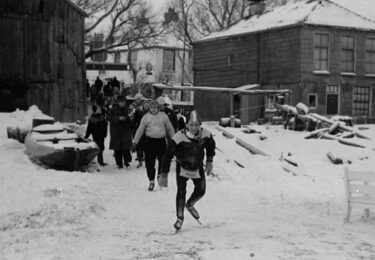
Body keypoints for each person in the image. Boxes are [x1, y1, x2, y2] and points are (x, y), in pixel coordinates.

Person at [159, 110, 216, 230]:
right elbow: (167, 155)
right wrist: (164, 174)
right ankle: (180, 218)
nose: (194, 127)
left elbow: (211, 146)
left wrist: (210, 161)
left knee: (201, 190)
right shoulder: (178, 137)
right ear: (186, 125)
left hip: (197, 167)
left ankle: (190, 204)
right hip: (182, 168)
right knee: (181, 192)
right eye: (191, 124)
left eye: (196, 124)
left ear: (200, 124)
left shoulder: (206, 135)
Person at [132, 99, 175, 191]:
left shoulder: (163, 116)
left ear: (158, 108)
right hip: (149, 142)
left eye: (155, 107)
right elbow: (140, 130)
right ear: (149, 108)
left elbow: (170, 129)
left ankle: (160, 176)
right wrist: (135, 142)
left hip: (161, 142)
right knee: (149, 163)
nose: (154, 109)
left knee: (162, 160)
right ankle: (151, 181)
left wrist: (174, 140)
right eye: (152, 108)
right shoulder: (146, 117)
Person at [108, 96, 133, 169]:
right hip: (116, 131)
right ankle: (119, 163)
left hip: (125, 130)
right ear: (118, 102)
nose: (122, 103)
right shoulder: (112, 109)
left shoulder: (127, 109)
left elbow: (130, 119)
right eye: (121, 102)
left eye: (123, 102)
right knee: (117, 148)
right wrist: (118, 118)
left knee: (126, 147)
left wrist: (130, 118)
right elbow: (109, 118)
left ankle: (127, 161)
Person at [130, 93, 146, 168]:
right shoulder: (132, 106)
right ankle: (140, 157)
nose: (138, 100)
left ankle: (142, 156)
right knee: (137, 143)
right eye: (137, 99)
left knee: (143, 143)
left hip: (143, 128)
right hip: (136, 127)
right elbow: (130, 116)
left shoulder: (144, 106)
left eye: (139, 99)